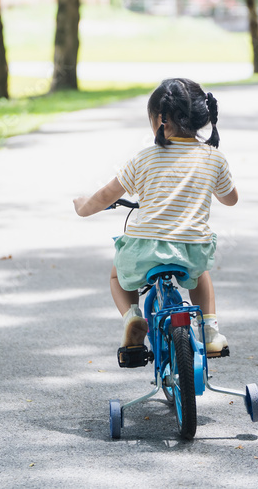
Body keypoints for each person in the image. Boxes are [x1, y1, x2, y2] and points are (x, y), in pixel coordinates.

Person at [73, 78, 238, 357]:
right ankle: (210, 331)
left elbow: (105, 196)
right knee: (201, 272)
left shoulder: (144, 158)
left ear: (161, 119)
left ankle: (132, 318)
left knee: (117, 276)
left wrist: (82, 207)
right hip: (192, 250)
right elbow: (231, 199)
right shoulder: (214, 158)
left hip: (144, 248)